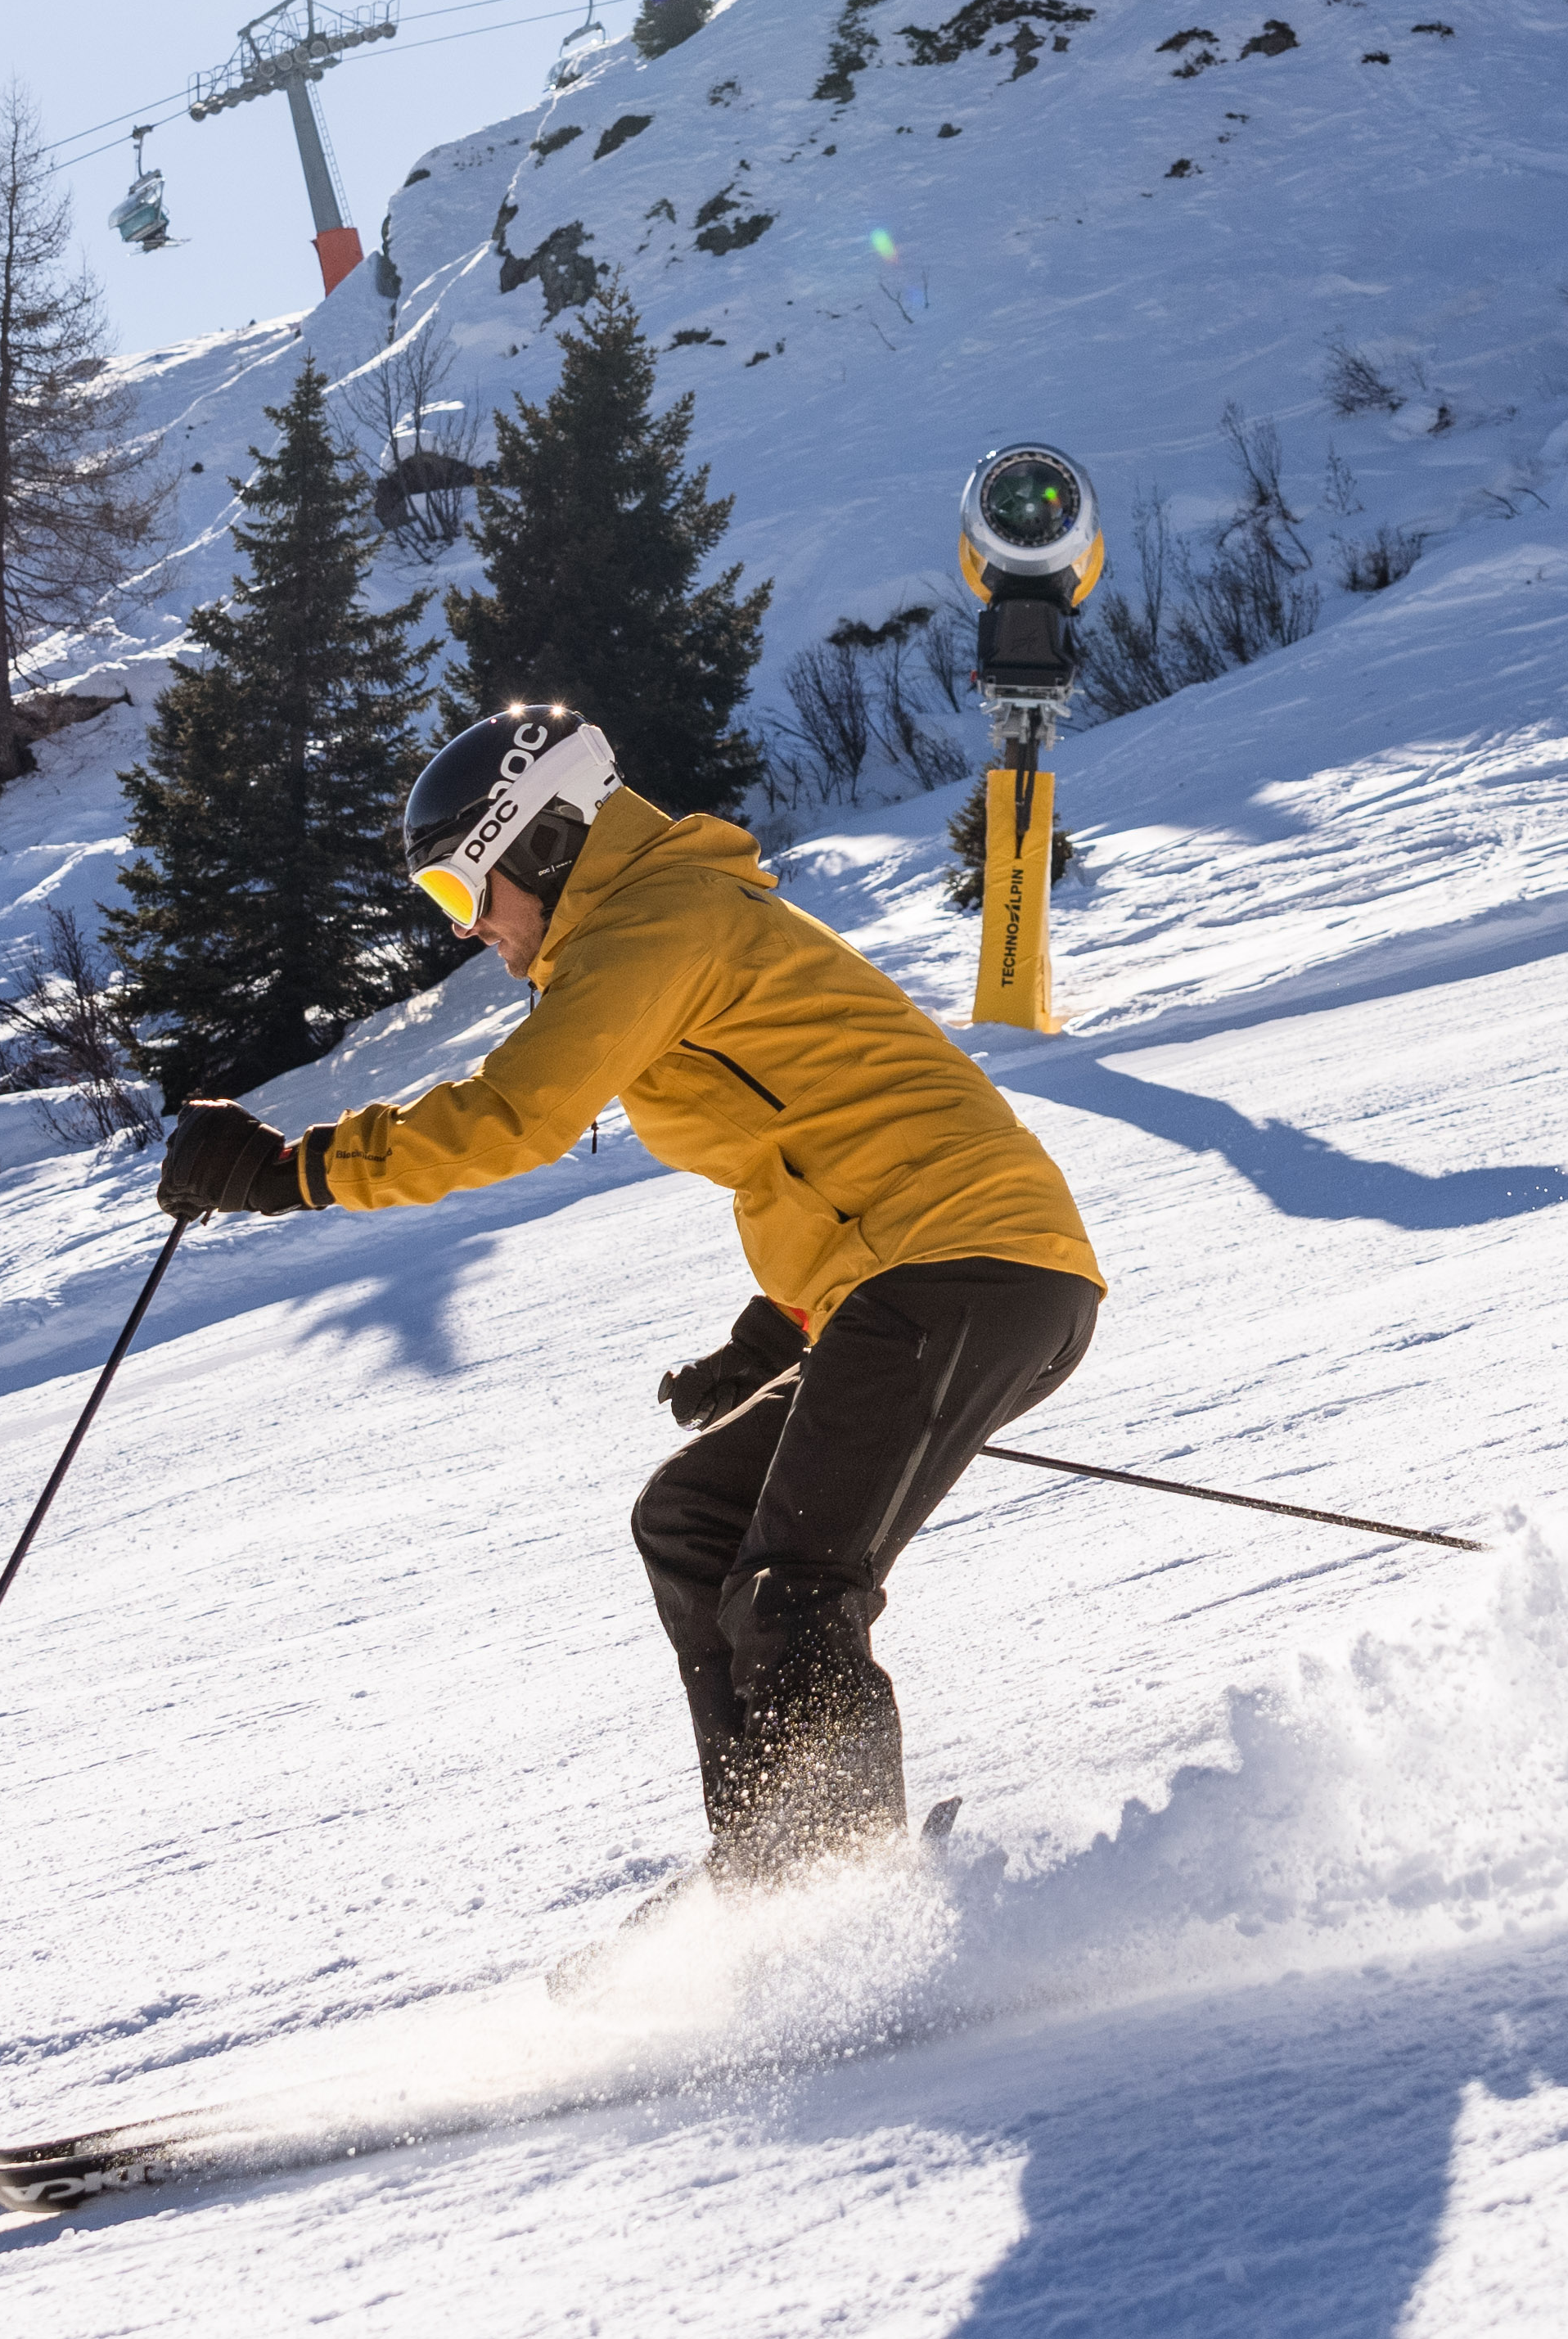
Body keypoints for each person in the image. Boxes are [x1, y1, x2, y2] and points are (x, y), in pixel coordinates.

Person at [155, 705, 1105, 1888]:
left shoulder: (657, 923)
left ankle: (847, 1894)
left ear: (544, 842)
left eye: (465, 891)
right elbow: (815, 1131)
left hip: (969, 1267)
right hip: (932, 1273)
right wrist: (772, 1332)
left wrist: (287, 1172)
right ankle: (767, 1862)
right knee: (694, 1518)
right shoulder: (660, 921)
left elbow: (514, 1115)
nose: (471, 930)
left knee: (799, 1587)